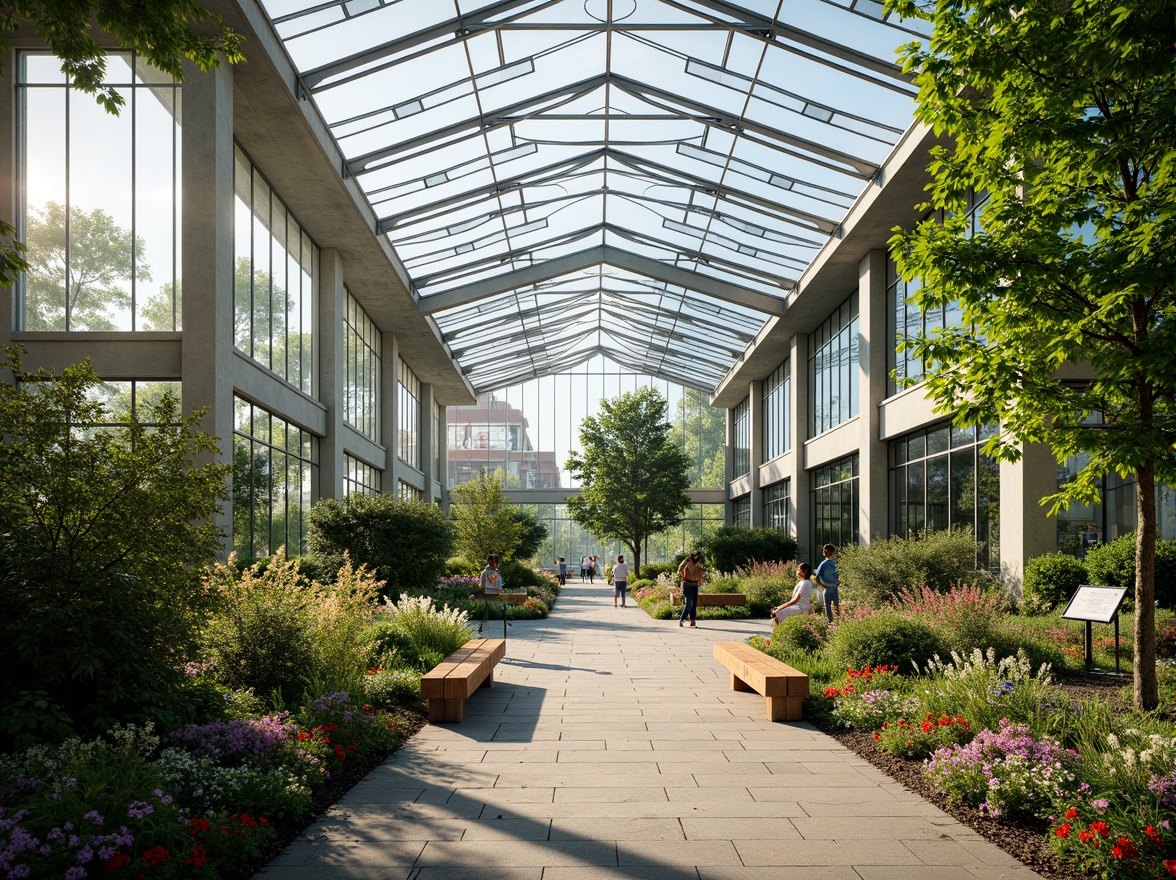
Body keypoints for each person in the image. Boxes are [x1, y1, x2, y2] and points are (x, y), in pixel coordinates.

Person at [478, 553, 504, 635]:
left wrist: (500, 589)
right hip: (487, 592)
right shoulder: (485, 571)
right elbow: (482, 582)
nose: (494, 563)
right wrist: (482, 589)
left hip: (495, 592)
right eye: (493, 561)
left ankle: (485, 626)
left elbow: (499, 581)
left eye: (495, 561)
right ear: (489, 561)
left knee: (494, 609)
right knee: (487, 610)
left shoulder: (496, 571)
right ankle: (482, 627)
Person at [676, 552, 704, 628]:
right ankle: (682, 619)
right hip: (687, 585)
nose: (695, 558)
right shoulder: (686, 563)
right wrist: (686, 560)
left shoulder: (697, 564)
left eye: (696, 557)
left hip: (695, 585)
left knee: (694, 604)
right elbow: (680, 569)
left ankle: (692, 620)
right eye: (694, 557)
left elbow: (701, 570)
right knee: (688, 603)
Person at [814, 543, 840, 622]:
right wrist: (825, 586)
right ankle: (835, 623)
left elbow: (817, 578)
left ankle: (831, 623)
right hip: (832, 588)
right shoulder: (833, 563)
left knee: (830, 608)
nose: (824, 551)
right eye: (824, 550)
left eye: (826, 550)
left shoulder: (826, 563)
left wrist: (824, 586)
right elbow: (817, 578)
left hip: (831, 588)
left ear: (830, 551)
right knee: (835, 608)